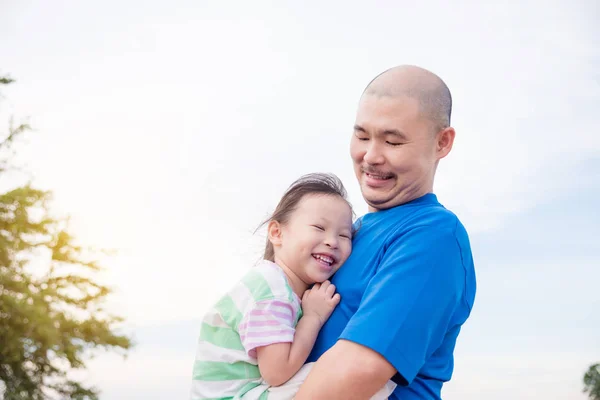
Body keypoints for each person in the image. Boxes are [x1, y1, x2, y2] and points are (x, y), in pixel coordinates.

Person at [295, 65, 477, 400]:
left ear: (442, 142)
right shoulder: (347, 235)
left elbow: (356, 372)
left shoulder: (433, 235)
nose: (371, 156)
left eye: (393, 141)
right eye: (362, 136)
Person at [190, 173, 396, 400]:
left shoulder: (274, 284)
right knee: (362, 375)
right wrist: (313, 317)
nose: (332, 241)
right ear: (277, 233)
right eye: (319, 227)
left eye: (344, 235)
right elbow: (277, 373)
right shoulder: (272, 290)